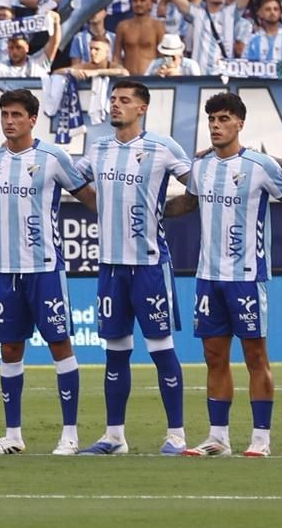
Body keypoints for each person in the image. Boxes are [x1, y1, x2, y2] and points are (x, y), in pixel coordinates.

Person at [164, 93, 282, 458]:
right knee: (214, 356)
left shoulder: (260, 166)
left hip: (247, 276)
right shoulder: (201, 167)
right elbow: (188, 202)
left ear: (240, 123)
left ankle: (261, 438)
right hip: (208, 277)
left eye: (223, 119)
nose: (216, 126)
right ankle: (217, 437)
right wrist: (152, 210)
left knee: (255, 356)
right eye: (212, 121)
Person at [72, 80, 194, 456]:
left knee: (160, 348)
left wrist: (166, 210)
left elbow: (199, 188)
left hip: (150, 265)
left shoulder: (162, 147)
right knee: (116, 350)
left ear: (142, 108)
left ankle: (176, 434)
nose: (115, 105)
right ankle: (114, 436)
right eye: (113, 99)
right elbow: (73, 181)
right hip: (110, 266)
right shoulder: (100, 148)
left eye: (124, 100)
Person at [0, 88, 94, 454]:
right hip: (4, 269)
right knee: (9, 348)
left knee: (60, 343)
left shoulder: (52, 156)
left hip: (45, 267)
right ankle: (13, 435)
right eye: (5, 114)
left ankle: (70, 433)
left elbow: (88, 198)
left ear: (32, 119)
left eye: (16, 115)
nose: (9, 121)